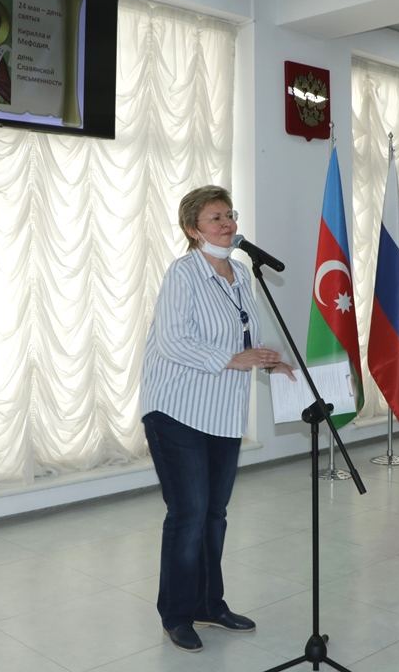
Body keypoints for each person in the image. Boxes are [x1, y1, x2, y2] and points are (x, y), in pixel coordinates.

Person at [140, 185, 294, 653]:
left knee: (214, 514)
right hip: (177, 410)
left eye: (229, 215)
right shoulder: (182, 274)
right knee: (187, 516)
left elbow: (246, 332)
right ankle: (177, 614)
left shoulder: (242, 273)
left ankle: (210, 603)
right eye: (214, 218)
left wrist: (270, 360)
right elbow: (173, 341)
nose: (227, 224)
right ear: (192, 229)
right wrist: (236, 359)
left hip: (223, 414)